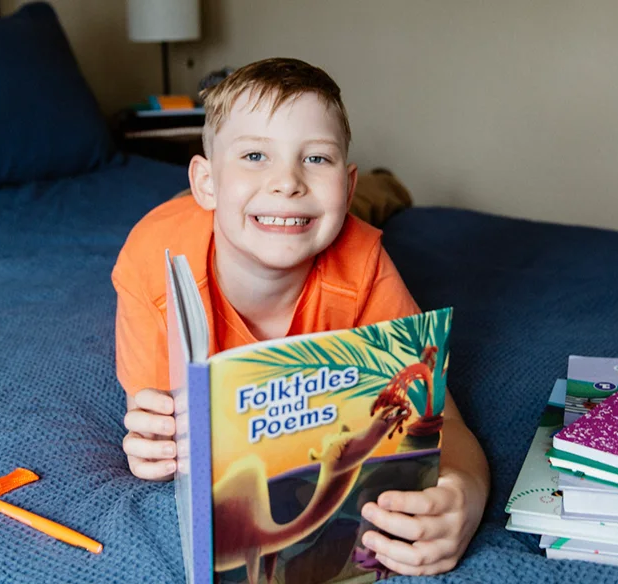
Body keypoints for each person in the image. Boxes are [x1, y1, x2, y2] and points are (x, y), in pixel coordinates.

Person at [111, 57, 489, 576]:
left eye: (316, 158)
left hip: (311, 220)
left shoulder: (360, 259)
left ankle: (381, 187)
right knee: (276, 213)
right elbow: (152, 422)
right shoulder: (151, 268)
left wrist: (464, 495)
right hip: (193, 220)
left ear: (345, 183)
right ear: (207, 181)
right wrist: (151, 442)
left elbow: (442, 418)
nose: (287, 180)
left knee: (350, 223)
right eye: (253, 154)